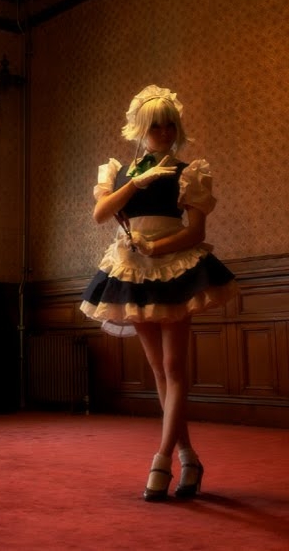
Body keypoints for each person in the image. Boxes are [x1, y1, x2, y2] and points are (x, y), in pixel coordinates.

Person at [80, 84, 238, 501]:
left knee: (173, 366)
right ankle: (189, 457)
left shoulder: (189, 171)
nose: (164, 132)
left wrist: (157, 248)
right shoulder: (118, 173)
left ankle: (162, 458)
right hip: (133, 270)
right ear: (140, 128)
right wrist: (136, 183)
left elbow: (196, 232)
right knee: (158, 370)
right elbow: (101, 214)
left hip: (174, 265)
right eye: (155, 126)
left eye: (170, 125)